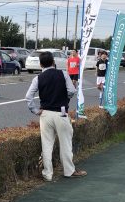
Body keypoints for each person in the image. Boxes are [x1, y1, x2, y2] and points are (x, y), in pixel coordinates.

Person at [25, 51, 86, 181]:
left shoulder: (38, 78)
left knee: (47, 145)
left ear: (40, 64)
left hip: (45, 114)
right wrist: (64, 98)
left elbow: (28, 96)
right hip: (61, 112)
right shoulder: (63, 74)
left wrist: (35, 110)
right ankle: (69, 171)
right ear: (53, 62)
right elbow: (72, 90)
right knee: (66, 143)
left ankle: (47, 174)